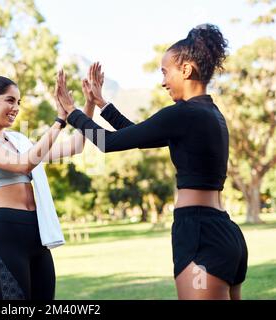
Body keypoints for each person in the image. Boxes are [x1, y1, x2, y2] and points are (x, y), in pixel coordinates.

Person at [56, 24, 248, 300]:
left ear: (186, 69)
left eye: (165, 71)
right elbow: (138, 134)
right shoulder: (210, 113)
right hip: (226, 233)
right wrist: (102, 104)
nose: (163, 81)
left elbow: (109, 143)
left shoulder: (182, 114)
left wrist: (71, 111)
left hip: (199, 233)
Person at [0, 70, 96, 300]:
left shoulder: (19, 141)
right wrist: (58, 121)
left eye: (19, 102)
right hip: (3, 237)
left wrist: (88, 106)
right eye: (10, 100)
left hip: (36, 236)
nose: (16, 107)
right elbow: (23, 165)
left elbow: (75, 147)